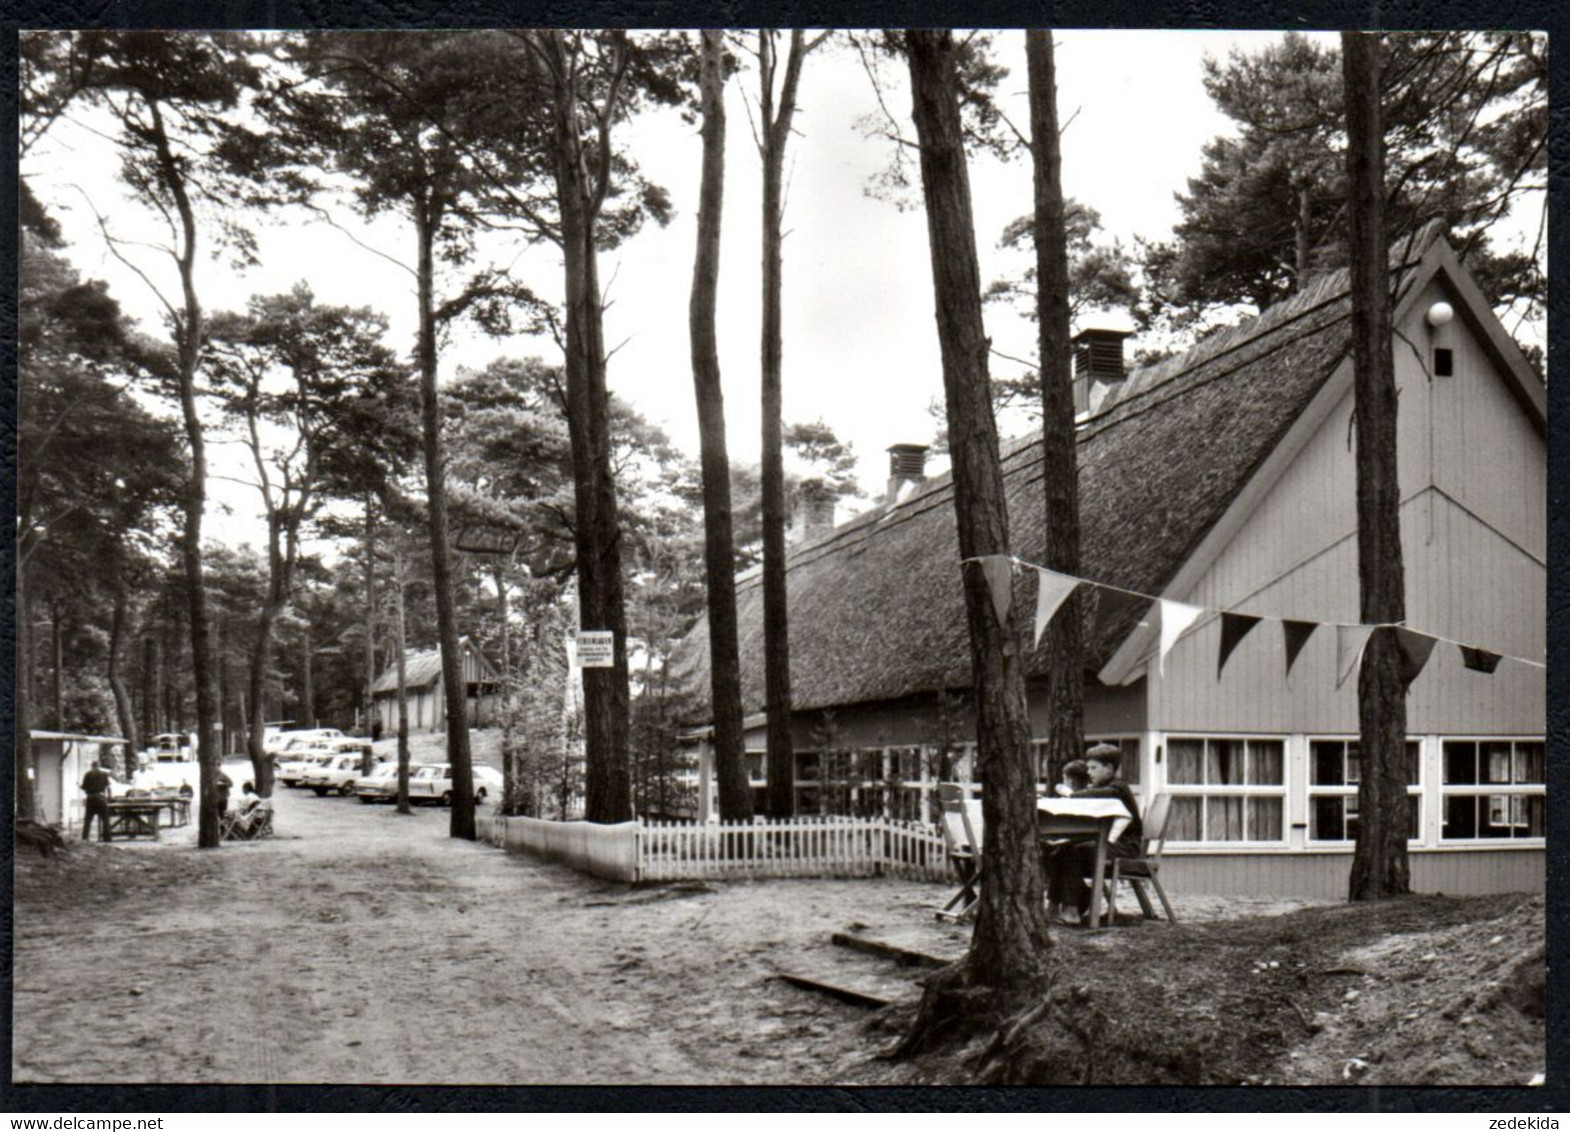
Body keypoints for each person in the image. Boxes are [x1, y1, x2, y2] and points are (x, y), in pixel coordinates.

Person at [1046, 744, 1143, 925]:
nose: (1088, 772)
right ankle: (1061, 904)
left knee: (1068, 852)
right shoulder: (1104, 787)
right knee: (1060, 851)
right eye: (1088, 767)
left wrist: (1070, 794)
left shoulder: (1117, 787)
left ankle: (1072, 910)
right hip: (1109, 844)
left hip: (1126, 848)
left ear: (1109, 768)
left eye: (1093, 768)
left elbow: (1096, 795)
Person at [80, 759, 113, 842]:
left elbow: (84, 787)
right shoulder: (104, 774)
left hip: (91, 798)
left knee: (88, 819)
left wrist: (79, 786)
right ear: (99, 766)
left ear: (92, 766)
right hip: (101, 797)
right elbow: (108, 787)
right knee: (105, 819)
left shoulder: (87, 774)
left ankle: (85, 837)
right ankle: (107, 838)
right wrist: (109, 798)